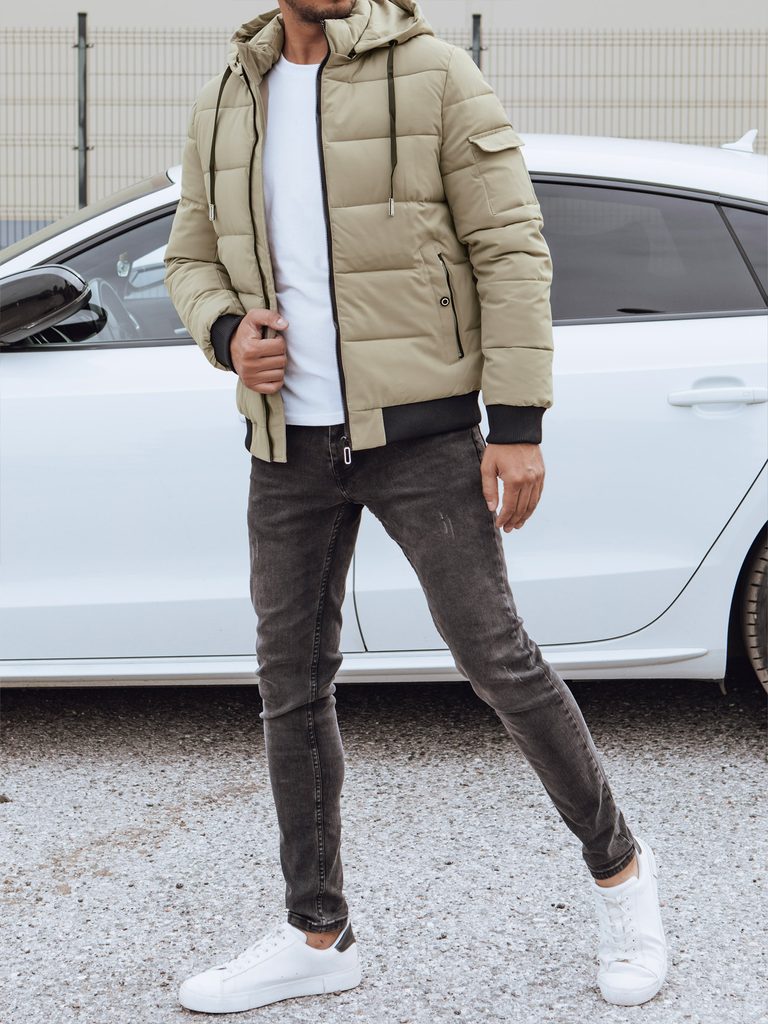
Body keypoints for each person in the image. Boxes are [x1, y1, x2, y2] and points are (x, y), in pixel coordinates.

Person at [163, 0, 668, 1013]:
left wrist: (516, 422)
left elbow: (510, 245)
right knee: (291, 686)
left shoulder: (435, 72)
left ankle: (623, 877)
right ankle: (318, 934)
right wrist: (224, 333)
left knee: (498, 661)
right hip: (288, 447)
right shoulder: (230, 90)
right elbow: (191, 255)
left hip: (425, 438)